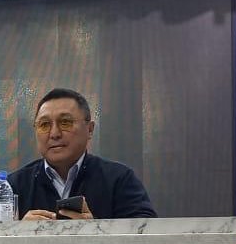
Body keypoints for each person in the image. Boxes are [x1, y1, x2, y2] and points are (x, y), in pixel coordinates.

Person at [8, 88, 156, 220]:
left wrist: (93, 229)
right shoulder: (14, 186)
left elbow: (147, 233)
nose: (54, 134)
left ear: (89, 129)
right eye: (44, 125)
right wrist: (19, 232)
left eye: (65, 122)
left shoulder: (119, 179)